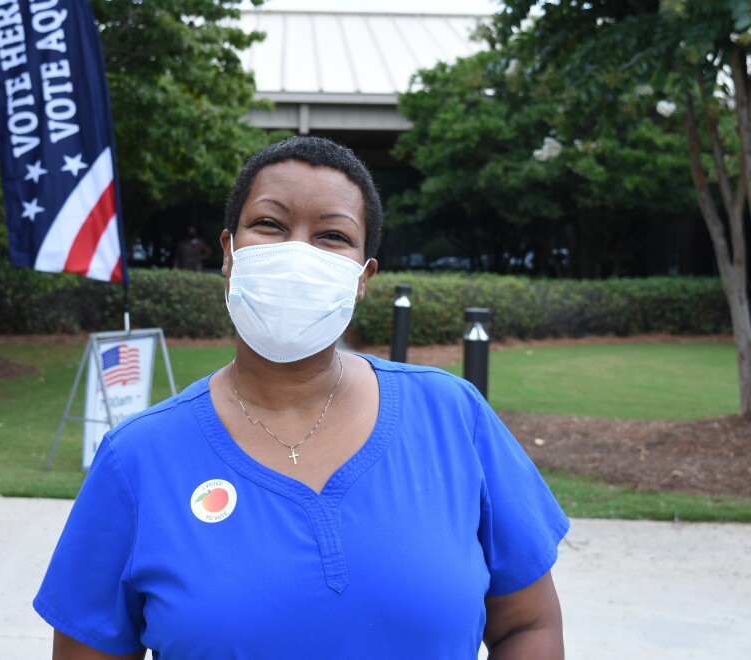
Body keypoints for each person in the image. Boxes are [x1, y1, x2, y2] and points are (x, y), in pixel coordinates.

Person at [33, 136, 569, 659]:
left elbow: (528, 624)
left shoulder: (454, 417)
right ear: (229, 252)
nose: (296, 252)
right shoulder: (138, 458)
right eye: (270, 224)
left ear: (363, 277)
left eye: (333, 235)